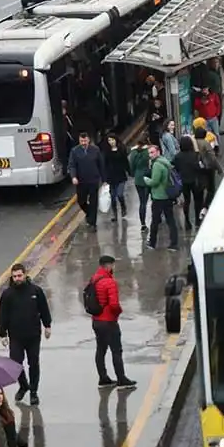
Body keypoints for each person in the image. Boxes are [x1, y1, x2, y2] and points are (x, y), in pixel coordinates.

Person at [0, 263, 51, 406]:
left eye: (19, 275)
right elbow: (2, 315)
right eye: (14, 276)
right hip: (16, 336)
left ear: (25, 275)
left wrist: (47, 325)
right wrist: (3, 334)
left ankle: (33, 392)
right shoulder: (7, 294)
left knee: (34, 363)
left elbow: (44, 308)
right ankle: (24, 385)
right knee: (15, 363)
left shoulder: (35, 291)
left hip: (33, 335)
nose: (17, 279)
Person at [89, 255, 136, 390]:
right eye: (113, 265)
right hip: (109, 321)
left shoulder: (94, 279)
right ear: (108, 266)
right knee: (116, 351)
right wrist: (118, 312)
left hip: (96, 321)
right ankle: (121, 378)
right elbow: (114, 304)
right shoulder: (110, 282)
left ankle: (103, 378)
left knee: (101, 349)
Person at [142, 144, 179, 250]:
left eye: (152, 152)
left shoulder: (157, 165)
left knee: (155, 221)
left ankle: (152, 243)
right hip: (167, 195)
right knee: (170, 220)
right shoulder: (165, 161)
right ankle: (174, 243)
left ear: (158, 152)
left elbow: (154, 182)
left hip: (159, 196)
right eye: (149, 153)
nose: (150, 155)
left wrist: (146, 179)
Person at [66, 132, 104, 230]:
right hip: (81, 181)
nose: (83, 143)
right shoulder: (74, 151)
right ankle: (89, 213)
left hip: (93, 180)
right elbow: (72, 165)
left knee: (93, 202)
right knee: (81, 201)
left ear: (88, 140)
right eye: (81, 141)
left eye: (85, 141)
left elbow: (101, 164)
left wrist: (104, 179)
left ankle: (93, 223)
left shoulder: (95, 150)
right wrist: (73, 177)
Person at [172, 135, 205, 232]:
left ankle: (187, 221)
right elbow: (200, 167)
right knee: (197, 201)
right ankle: (198, 221)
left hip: (184, 181)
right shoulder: (195, 155)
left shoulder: (178, 156)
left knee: (187, 201)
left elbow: (174, 167)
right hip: (195, 181)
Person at [102, 133, 130, 225]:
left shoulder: (122, 149)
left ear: (116, 140)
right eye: (109, 140)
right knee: (113, 197)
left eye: (112, 140)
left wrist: (130, 171)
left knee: (120, 194)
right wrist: (104, 179)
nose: (111, 142)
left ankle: (123, 207)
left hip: (121, 176)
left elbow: (125, 162)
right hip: (111, 177)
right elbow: (104, 165)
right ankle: (115, 214)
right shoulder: (106, 151)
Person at [127, 139, 153, 233]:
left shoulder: (133, 152)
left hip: (138, 179)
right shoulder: (148, 151)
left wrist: (135, 174)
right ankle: (157, 219)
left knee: (142, 202)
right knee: (154, 198)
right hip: (149, 177)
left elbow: (131, 167)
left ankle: (143, 224)